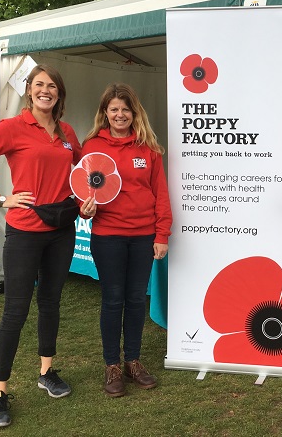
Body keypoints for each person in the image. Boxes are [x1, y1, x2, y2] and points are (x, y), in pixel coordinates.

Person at [0, 65, 82, 428]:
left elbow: (85, 171)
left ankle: (46, 371)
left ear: (59, 94)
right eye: (39, 85)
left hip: (62, 230)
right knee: (15, 311)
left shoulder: (68, 132)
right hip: (25, 231)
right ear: (30, 91)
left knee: (51, 303)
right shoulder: (12, 127)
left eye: (52, 86)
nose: (46, 91)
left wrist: (86, 198)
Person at [79, 83, 171, 397]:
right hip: (108, 237)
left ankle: (132, 360)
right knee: (113, 300)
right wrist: (85, 210)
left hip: (144, 236)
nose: (120, 115)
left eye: (125, 109)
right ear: (105, 113)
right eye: (114, 109)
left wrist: (162, 234)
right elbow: (82, 191)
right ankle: (111, 366)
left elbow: (161, 194)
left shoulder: (149, 148)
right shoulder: (91, 146)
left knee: (135, 301)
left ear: (134, 113)